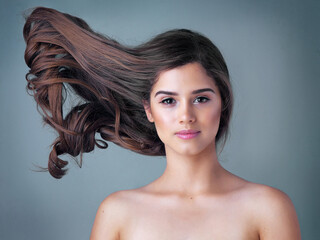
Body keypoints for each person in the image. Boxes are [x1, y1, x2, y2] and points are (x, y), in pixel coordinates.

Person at [23, 7, 301, 240]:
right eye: (168, 101)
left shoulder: (269, 208)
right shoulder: (118, 212)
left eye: (201, 99)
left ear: (223, 102)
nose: (186, 116)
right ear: (149, 109)